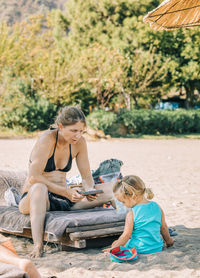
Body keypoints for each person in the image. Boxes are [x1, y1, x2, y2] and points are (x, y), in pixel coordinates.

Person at [19, 106, 114, 258]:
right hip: (36, 198)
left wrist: (89, 190)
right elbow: (33, 176)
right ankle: (38, 245)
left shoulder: (79, 143)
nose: (78, 135)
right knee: (39, 188)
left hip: (63, 199)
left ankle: (131, 230)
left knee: (113, 188)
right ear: (61, 127)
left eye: (81, 131)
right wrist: (66, 192)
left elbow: (86, 176)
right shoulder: (47, 139)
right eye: (74, 130)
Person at [103, 175, 174, 254]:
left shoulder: (132, 213)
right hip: (156, 247)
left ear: (133, 196)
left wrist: (113, 249)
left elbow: (126, 235)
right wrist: (169, 241)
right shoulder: (157, 207)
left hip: (138, 249)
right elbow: (164, 228)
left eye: (123, 202)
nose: (123, 205)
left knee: (115, 242)